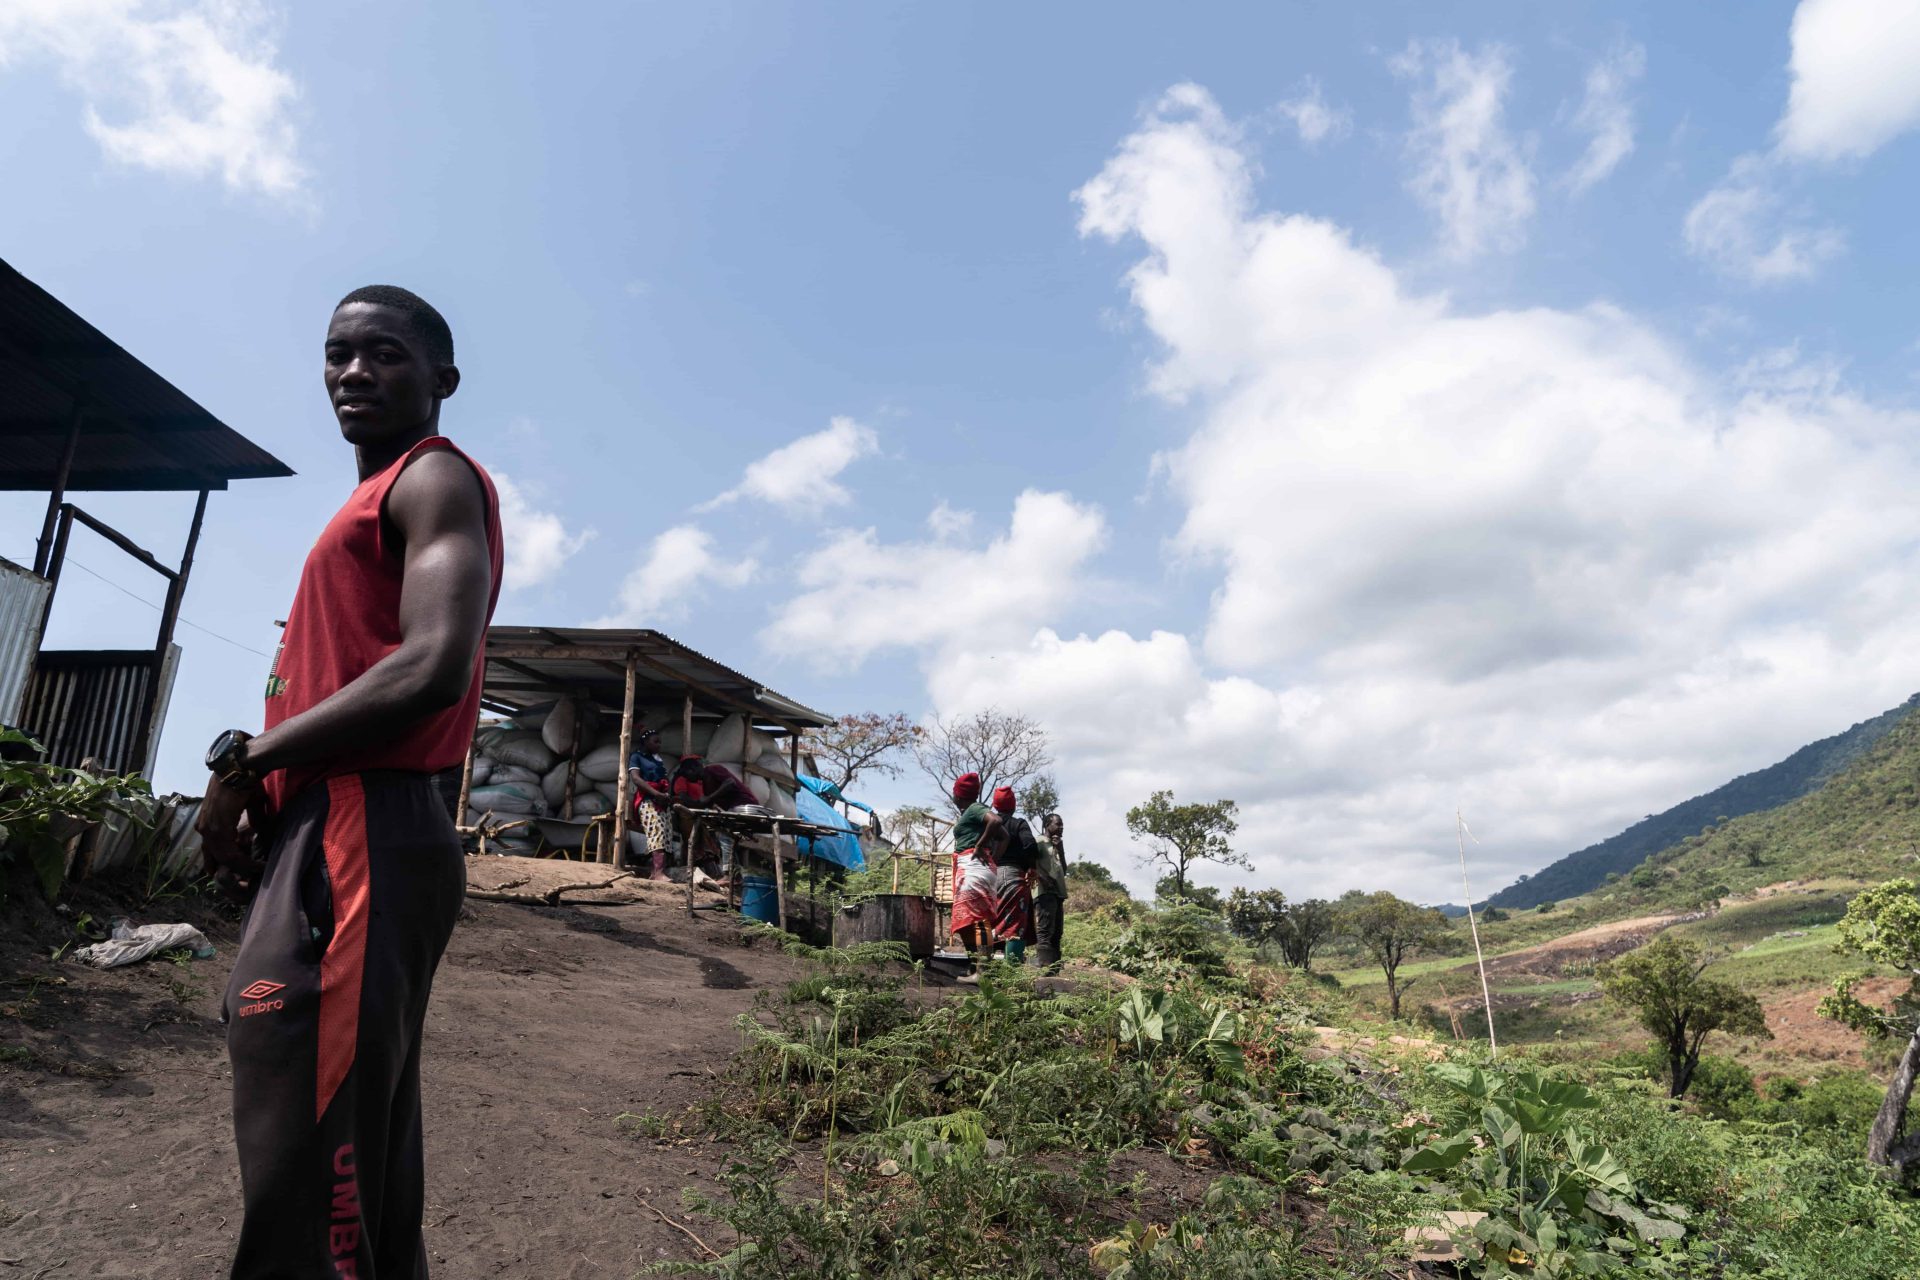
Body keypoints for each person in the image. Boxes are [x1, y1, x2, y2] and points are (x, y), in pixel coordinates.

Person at [195, 284, 502, 1280]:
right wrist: (265, 790)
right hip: (326, 829)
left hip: (365, 820)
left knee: (310, 1139)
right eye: (337, 354)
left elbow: (433, 665)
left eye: (385, 354)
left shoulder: (433, 480)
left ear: (442, 380)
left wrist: (253, 762)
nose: (354, 372)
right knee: (348, 1144)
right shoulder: (361, 508)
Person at [947, 772, 1004, 964]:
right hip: (974, 867)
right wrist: (993, 859)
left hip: (973, 868)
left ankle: (983, 969)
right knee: (966, 920)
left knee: (978, 920)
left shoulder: (974, 809)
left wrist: (980, 846)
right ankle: (975, 967)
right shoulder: (970, 813)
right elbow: (1004, 837)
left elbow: (996, 821)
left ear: (958, 795)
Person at [987, 786, 1038, 964]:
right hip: (1013, 876)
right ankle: (1011, 974)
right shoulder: (1019, 824)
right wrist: (1032, 866)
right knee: (1015, 926)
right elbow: (1030, 845)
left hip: (989, 875)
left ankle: (984, 968)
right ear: (1014, 806)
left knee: (987, 922)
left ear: (995, 805)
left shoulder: (988, 825)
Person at [626, 725, 672, 880]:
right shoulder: (636, 757)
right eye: (655, 742)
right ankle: (658, 873)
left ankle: (656, 871)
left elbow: (663, 779)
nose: (659, 745)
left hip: (661, 801)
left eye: (660, 742)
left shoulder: (657, 760)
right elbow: (636, 778)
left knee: (666, 834)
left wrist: (665, 794)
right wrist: (656, 793)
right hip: (647, 800)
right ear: (645, 742)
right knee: (656, 832)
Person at [1032, 812, 1069, 971]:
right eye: (1057, 824)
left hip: (1057, 893)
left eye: (1062, 825)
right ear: (1048, 825)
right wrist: (1042, 877)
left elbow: (1064, 869)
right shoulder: (1039, 842)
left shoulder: (1056, 844)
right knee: (1045, 929)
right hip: (1044, 891)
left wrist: (1059, 848)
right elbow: (1030, 864)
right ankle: (1045, 967)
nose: (1061, 827)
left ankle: (1054, 968)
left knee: (1057, 932)